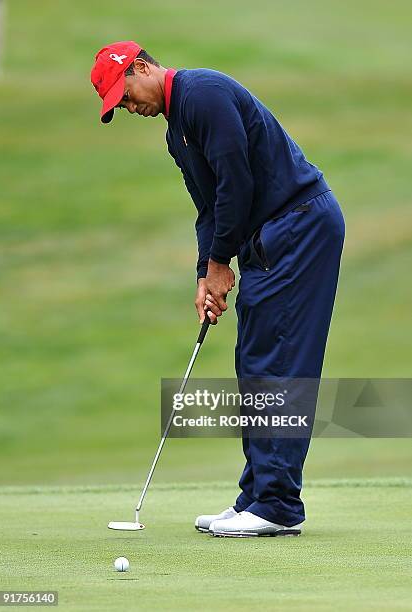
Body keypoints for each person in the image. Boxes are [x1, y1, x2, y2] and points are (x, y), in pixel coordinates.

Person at [90, 40, 345, 537]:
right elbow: (208, 209)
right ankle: (257, 494)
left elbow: (237, 183)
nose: (129, 106)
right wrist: (206, 276)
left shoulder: (202, 94)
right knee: (254, 360)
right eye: (118, 105)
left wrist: (222, 261)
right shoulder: (176, 132)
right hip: (271, 236)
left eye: (126, 93)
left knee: (278, 362)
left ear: (143, 67)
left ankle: (277, 504)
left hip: (298, 225)